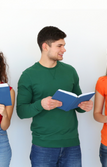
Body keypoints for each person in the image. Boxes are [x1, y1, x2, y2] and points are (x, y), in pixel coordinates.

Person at [16, 26, 93, 167]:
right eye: (59, 46)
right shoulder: (28, 75)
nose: (64, 49)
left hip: (72, 144)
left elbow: (78, 103)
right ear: (45, 46)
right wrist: (41, 104)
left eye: (64, 45)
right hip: (43, 146)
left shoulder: (70, 71)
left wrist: (84, 106)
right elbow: (21, 112)